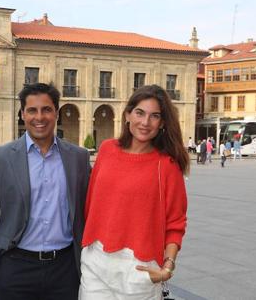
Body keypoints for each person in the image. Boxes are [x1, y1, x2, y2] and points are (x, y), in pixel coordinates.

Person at [0, 83, 91, 300]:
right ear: (22, 114)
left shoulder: (78, 158)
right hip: (15, 268)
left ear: (56, 112)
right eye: (32, 110)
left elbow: (91, 210)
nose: (40, 117)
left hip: (65, 270)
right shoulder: (1, 157)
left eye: (46, 109)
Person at [79, 85, 188, 299]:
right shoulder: (107, 150)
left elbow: (176, 222)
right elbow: (91, 202)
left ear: (162, 123)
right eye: (139, 113)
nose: (145, 122)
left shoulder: (166, 164)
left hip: (138, 268)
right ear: (128, 114)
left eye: (154, 116)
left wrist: (167, 268)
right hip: (96, 260)